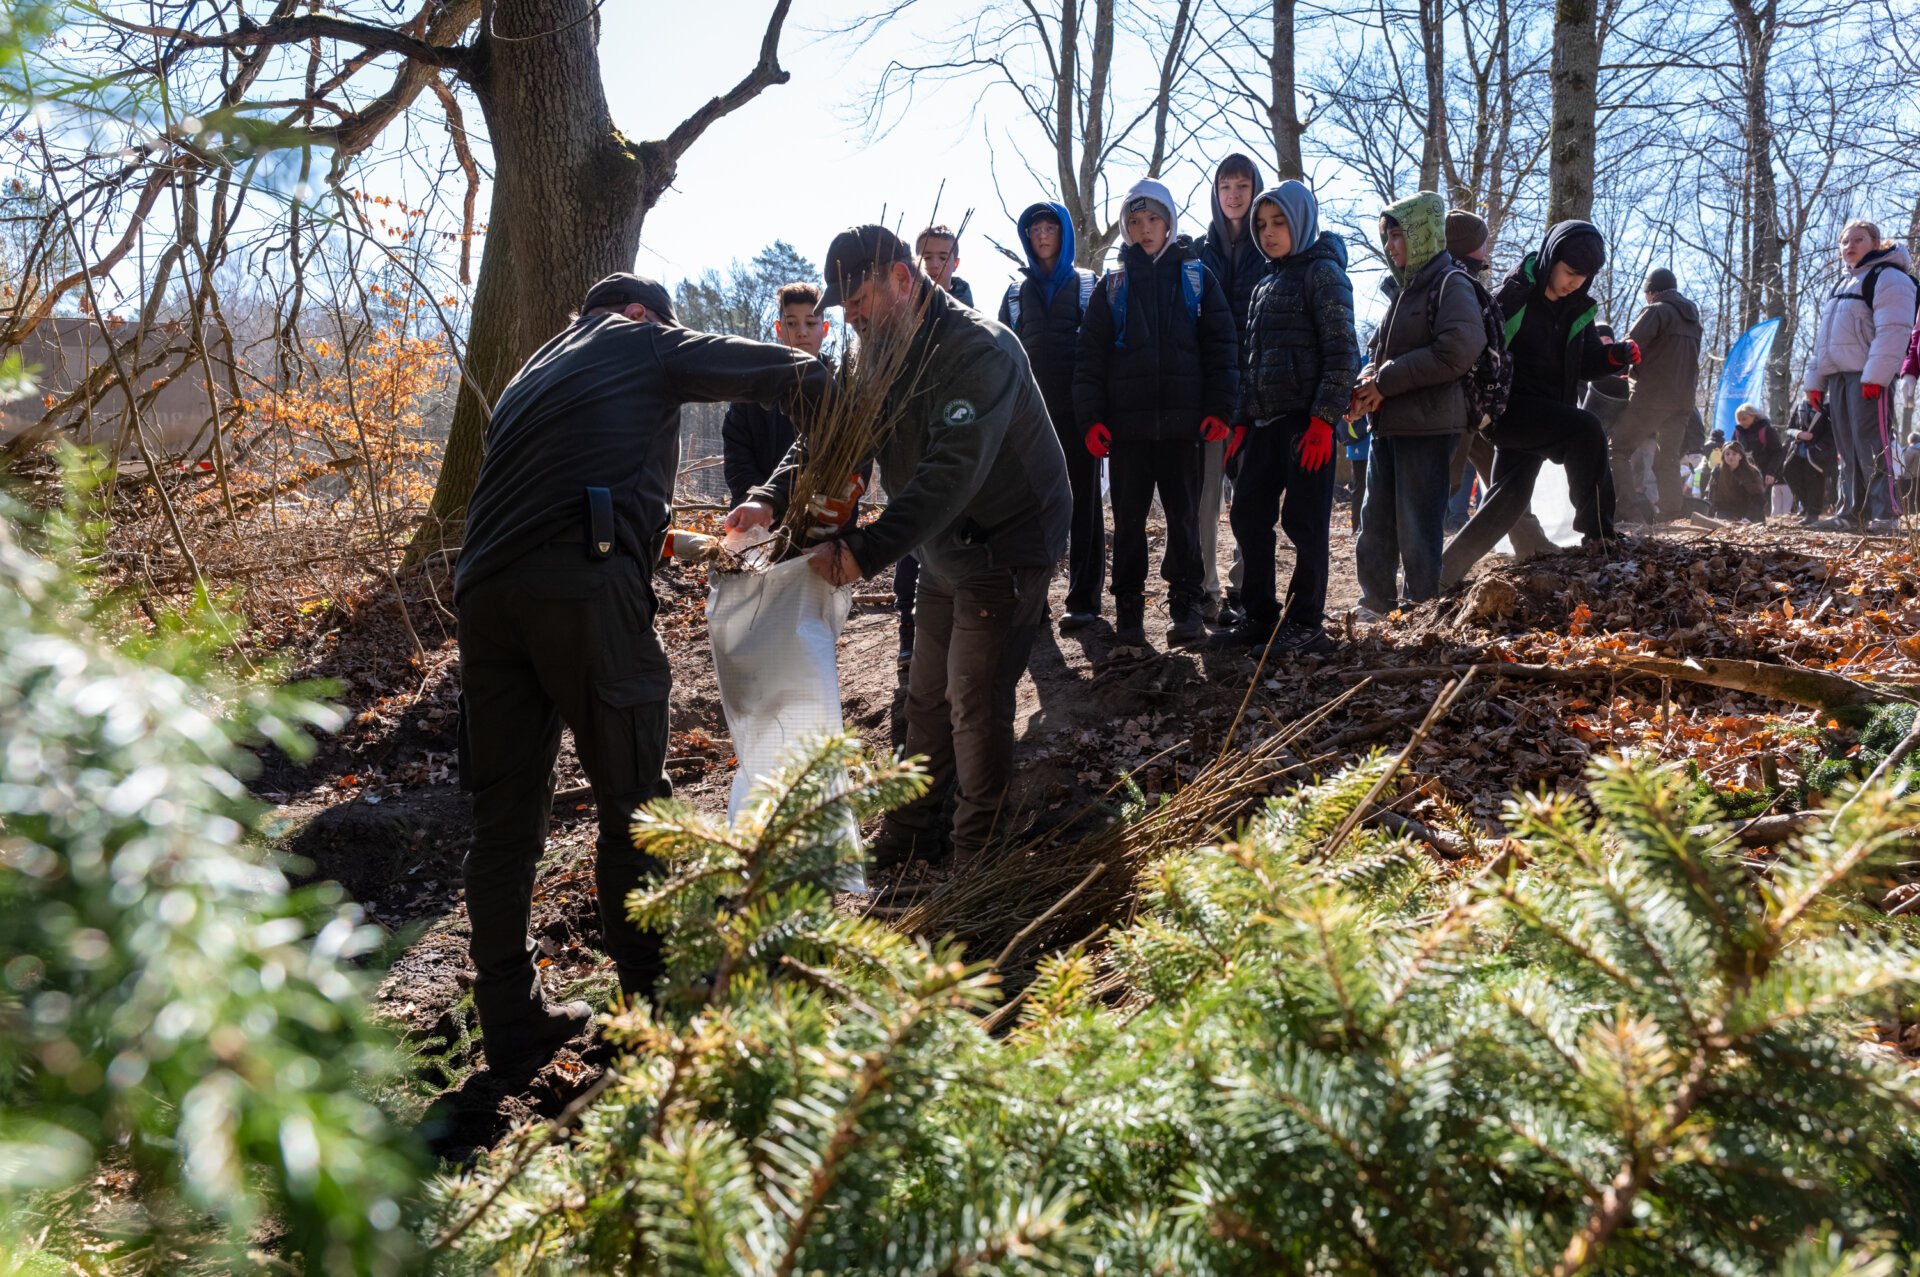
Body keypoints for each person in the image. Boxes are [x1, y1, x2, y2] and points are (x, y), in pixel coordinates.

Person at [456, 273, 828, 1075]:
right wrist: (836, 417)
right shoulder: (637, 340)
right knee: (633, 801)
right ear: (639, 315)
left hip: (485, 597)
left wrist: (705, 545)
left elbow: (577, 499)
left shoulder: (532, 374)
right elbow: (789, 371)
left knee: (505, 817)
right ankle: (654, 1011)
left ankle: (511, 1021)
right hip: (582, 595)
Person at [729, 225, 1070, 869]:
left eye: (859, 299)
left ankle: (976, 859)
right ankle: (912, 831)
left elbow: (951, 472)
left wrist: (866, 550)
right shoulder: (876, 354)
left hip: (1003, 544)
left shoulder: (979, 349)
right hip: (938, 542)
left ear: (902, 279)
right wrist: (770, 497)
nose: (851, 316)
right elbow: (833, 435)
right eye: (844, 306)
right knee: (926, 697)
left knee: (974, 701)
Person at [1074, 178, 1239, 649]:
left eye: (1153, 219)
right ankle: (1128, 610)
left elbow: (1222, 347)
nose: (1144, 229)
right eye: (1134, 221)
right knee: (1127, 523)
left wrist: (1219, 408)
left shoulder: (1197, 279)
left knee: (1184, 520)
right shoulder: (1112, 286)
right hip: (1126, 432)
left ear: (1169, 223)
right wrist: (1092, 419)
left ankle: (1186, 605)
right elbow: (1089, 358)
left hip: (1185, 429)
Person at [1440, 220, 1633, 588]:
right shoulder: (1514, 295)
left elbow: (1586, 362)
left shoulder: (1578, 307)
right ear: (1551, 259)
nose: (1575, 282)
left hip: (1545, 412)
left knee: (1507, 500)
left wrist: (1614, 357)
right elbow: (1479, 350)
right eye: (1570, 272)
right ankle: (1599, 535)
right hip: (1508, 410)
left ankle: (1441, 576)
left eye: (1584, 276)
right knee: (1586, 429)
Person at [1218, 179, 1359, 652]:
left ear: (1301, 222)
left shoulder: (1324, 274)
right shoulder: (1264, 283)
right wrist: (1241, 422)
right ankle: (1259, 616)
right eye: (1261, 225)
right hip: (1262, 425)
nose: (1269, 232)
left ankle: (1305, 623)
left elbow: (1343, 353)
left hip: (1306, 425)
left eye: (1279, 222)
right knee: (1247, 514)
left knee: (1306, 523)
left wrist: (1323, 422)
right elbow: (1250, 362)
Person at [1349, 192, 1488, 614]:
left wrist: (1386, 381)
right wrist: (1367, 381)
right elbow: (1377, 352)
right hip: (1388, 425)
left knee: (1417, 530)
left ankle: (1419, 610)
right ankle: (1375, 605)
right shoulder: (1404, 291)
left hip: (1429, 428)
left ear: (1423, 234)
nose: (1389, 246)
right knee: (1375, 523)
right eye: (1387, 237)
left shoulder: (1452, 284)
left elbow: (1458, 349)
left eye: (1398, 236)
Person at [1000, 202, 1103, 629]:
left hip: (1080, 415)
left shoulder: (1088, 285)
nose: (1042, 235)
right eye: (1035, 229)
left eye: (1050, 228)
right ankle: (1033, 601)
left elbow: (1101, 350)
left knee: (1085, 509)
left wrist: (1099, 412)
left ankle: (1084, 601)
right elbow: (1002, 357)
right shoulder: (1013, 294)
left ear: (1064, 234)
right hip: (1030, 420)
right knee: (1031, 510)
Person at [1443, 209, 1555, 559]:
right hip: (1456, 399)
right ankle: (1423, 565)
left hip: (1476, 402)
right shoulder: (1454, 282)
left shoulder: (1462, 278)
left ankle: (1530, 542)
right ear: (1469, 246)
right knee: (1444, 481)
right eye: (1482, 242)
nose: (1486, 249)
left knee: (1502, 478)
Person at [1804, 219, 1916, 531]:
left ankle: (1885, 514)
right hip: (1838, 377)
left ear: (1875, 243)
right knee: (1847, 448)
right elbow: (1823, 339)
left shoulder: (1889, 277)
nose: (1849, 246)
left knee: (1873, 445)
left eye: (1859, 239)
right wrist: (1815, 382)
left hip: (1867, 377)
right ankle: (1851, 514)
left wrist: (1876, 376)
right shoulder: (1841, 284)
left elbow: (1894, 330)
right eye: (1845, 241)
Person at [1199, 153, 1264, 626]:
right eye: (1226, 186)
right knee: (1205, 495)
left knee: (1251, 498)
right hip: (1209, 392)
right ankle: (1204, 587)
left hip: (1259, 392)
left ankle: (1243, 588)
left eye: (1243, 185)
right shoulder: (1199, 252)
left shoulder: (1271, 247)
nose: (1234, 195)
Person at [722, 282, 828, 506]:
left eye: (811, 323)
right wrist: (763, 503)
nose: (802, 332)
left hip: (823, 512)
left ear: (825, 328)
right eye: (791, 323)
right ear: (779, 328)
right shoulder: (752, 384)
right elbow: (737, 460)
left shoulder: (840, 382)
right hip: (757, 511)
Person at [1617, 268, 1703, 520]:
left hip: (1651, 397)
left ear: (1652, 292)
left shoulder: (1656, 311)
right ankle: (1671, 516)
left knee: (1618, 450)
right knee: (1668, 458)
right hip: (1683, 401)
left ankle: (1628, 514)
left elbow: (1629, 346)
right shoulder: (1693, 319)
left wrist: (1616, 371)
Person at [1780, 397, 1835, 518]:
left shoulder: (1828, 406)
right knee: (1789, 473)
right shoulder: (1801, 405)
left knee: (1814, 481)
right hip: (1798, 450)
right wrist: (1798, 434)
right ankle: (1805, 506)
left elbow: (1832, 432)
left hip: (1818, 452)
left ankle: (1813, 513)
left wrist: (1819, 447)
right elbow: (1789, 428)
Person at [916, 224, 973, 308]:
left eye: (943, 258)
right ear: (916, 262)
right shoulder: (901, 309)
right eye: (926, 258)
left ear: (955, 264)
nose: (934, 264)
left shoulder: (969, 315)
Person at [1709, 441, 1767, 521]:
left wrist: (1748, 518)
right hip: (1726, 511)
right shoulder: (1717, 472)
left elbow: (1759, 499)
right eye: (1727, 454)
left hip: (1749, 514)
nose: (1730, 457)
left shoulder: (1751, 472)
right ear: (1723, 456)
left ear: (1740, 456)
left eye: (1734, 454)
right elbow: (1711, 495)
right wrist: (1710, 513)